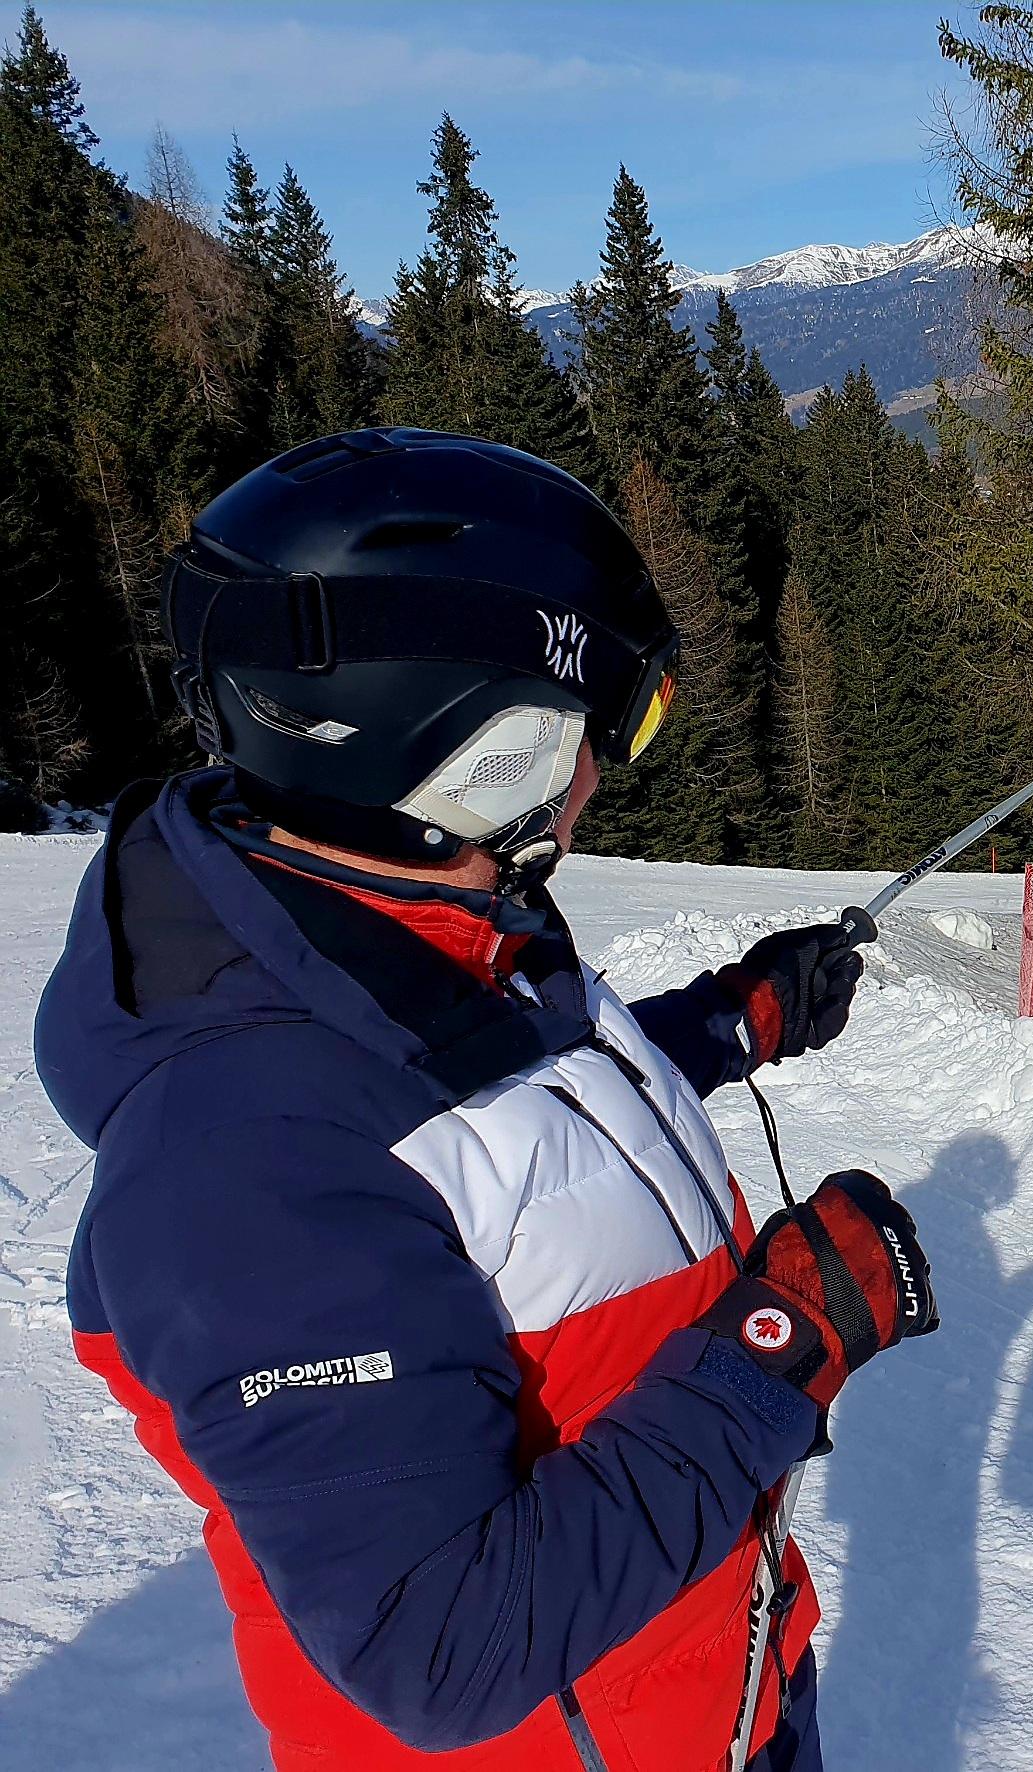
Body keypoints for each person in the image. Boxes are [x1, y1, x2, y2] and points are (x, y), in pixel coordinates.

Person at [34, 429, 939, 1772]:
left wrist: (728, 1024)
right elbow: (440, 1651)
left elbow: (505, 1129)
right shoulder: (240, 1161)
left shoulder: (389, 920)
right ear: (467, 749)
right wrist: (787, 1336)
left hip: (706, 1685)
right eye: (589, 730)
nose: (594, 775)